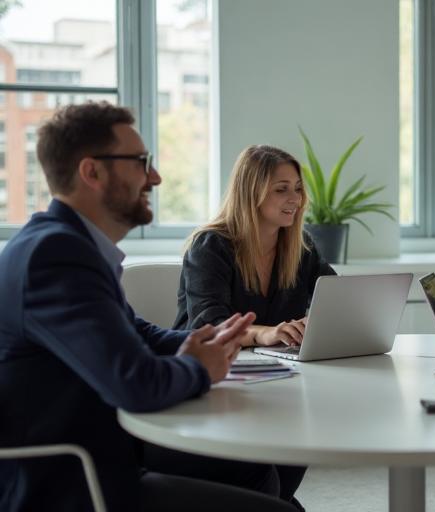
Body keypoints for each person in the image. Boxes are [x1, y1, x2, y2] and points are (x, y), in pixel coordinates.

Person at [0, 102, 296, 512]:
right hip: (70, 483)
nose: (154, 177)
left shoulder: (65, 244)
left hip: (100, 454)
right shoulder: (56, 254)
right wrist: (198, 366)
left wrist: (210, 340)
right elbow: (135, 384)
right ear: (92, 172)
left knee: (258, 472)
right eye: (141, 162)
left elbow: (136, 332)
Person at [173, 144, 336, 504]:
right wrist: (267, 331)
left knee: (289, 467)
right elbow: (208, 323)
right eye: (281, 189)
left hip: (279, 381)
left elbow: (335, 295)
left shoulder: (300, 247)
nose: (294, 198)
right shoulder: (211, 246)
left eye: (297, 188)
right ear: (251, 192)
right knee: (268, 487)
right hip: (216, 381)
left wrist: (321, 320)